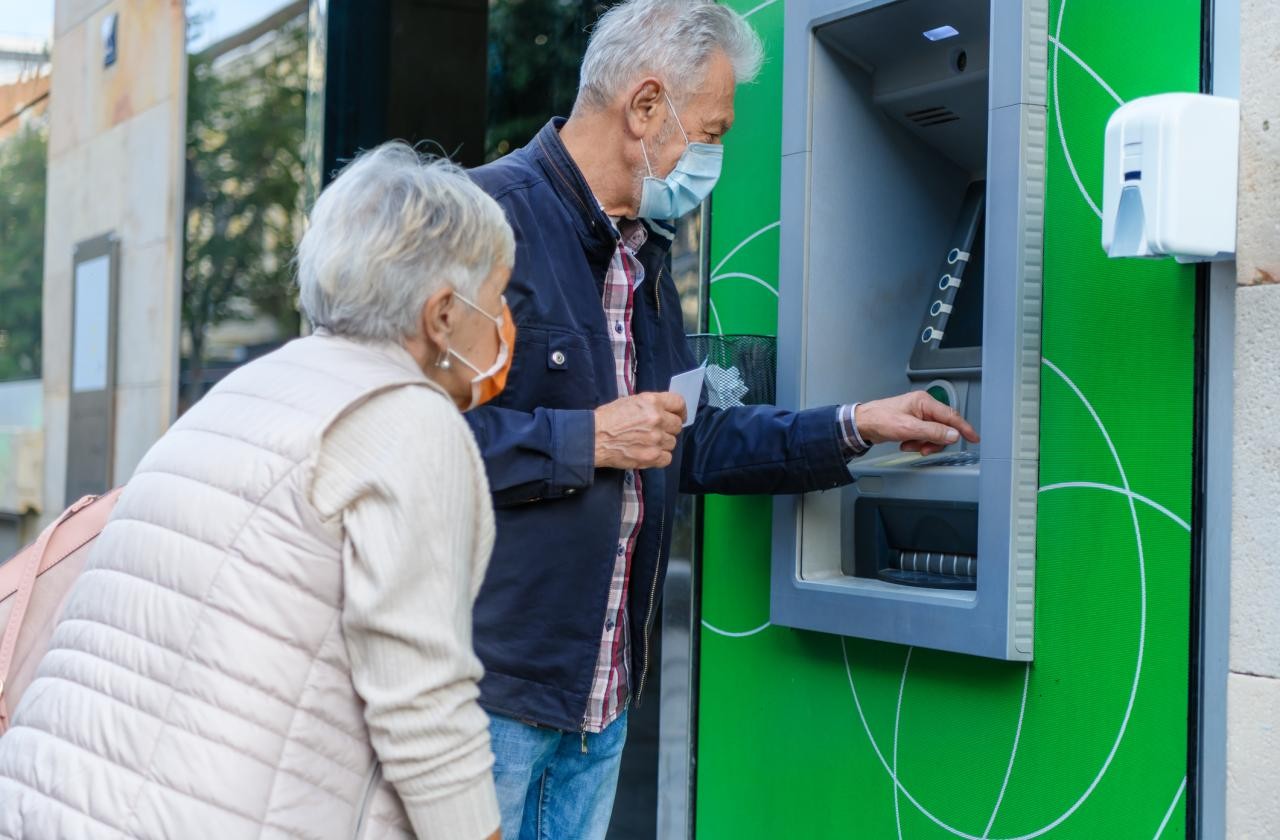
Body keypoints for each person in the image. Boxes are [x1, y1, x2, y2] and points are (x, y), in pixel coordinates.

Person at [465, 0, 980, 836]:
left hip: (603, 700)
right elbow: (411, 443)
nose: (714, 154)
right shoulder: (484, 221)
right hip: (494, 696)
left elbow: (691, 442)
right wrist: (588, 437)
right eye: (712, 129)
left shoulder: (643, 256)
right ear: (644, 108)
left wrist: (858, 424)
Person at [0, 143, 514, 840]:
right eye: (499, 296)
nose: (509, 320)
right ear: (443, 313)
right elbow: (423, 701)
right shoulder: (406, 419)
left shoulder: (249, 389)